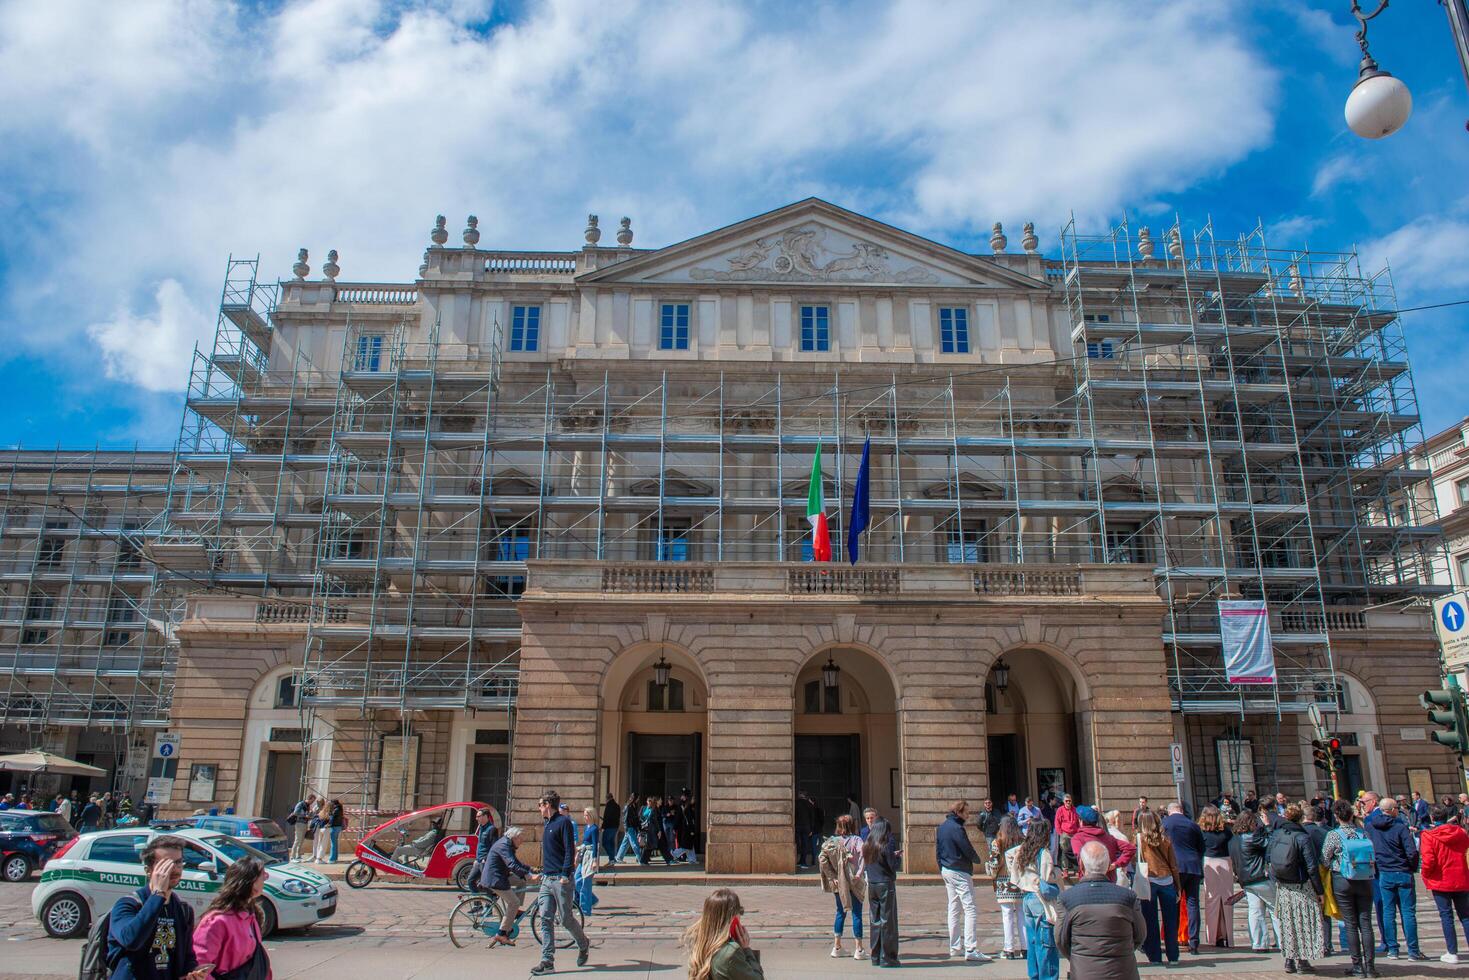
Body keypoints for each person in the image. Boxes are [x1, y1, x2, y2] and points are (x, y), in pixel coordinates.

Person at [107, 834, 209, 980]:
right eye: (165, 865)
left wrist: (192, 971)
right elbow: (131, 940)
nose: (174, 869)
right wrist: (158, 895)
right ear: (149, 870)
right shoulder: (128, 904)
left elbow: (187, 956)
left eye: (178, 863)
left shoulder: (183, 910)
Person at [1057, 841, 1147, 980]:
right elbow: (1140, 934)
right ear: (1107, 865)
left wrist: (1079, 956)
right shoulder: (1127, 897)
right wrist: (1122, 951)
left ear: (1081, 865)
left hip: (1084, 971)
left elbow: (1061, 940)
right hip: (1122, 970)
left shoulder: (1068, 899)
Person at [531, 790, 590, 975]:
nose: (539, 808)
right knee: (545, 919)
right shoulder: (547, 823)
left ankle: (583, 943)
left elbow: (568, 850)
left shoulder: (563, 822)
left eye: (540, 804)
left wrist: (566, 873)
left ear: (548, 804)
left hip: (561, 879)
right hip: (547, 879)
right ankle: (547, 961)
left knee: (565, 919)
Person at [1365, 795, 1426, 962]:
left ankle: (1393, 949)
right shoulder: (1400, 828)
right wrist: (1412, 867)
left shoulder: (1371, 827)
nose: (1398, 811)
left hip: (1384, 872)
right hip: (1402, 871)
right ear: (1391, 810)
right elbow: (1412, 852)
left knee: (1388, 912)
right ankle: (1413, 951)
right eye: (1396, 809)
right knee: (1407, 912)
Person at [1323, 798, 1378, 977]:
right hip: (1365, 880)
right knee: (1366, 923)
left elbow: (1324, 859)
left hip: (1343, 880)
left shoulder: (1334, 835)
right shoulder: (1363, 833)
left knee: (1350, 924)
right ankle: (1370, 967)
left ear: (1337, 816)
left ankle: (1357, 966)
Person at [192, 857, 270, 979]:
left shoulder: (251, 914)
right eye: (263, 875)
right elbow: (199, 969)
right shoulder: (216, 921)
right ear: (251, 881)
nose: (266, 878)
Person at [1269, 802, 1322, 974]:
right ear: (1300, 818)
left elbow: (1269, 857)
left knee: (1287, 923)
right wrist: (1319, 890)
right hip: (1301, 886)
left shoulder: (1277, 834)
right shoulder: (1302, 836)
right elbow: (1312, 866)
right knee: (1303, 922)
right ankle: (1303, 961)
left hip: (1283, 886)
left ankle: (1288, 960)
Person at [935, 800, 986, 961]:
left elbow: (938, 849)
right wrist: (977, 859)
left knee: (954, 907)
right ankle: (970, 948)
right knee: (970, 909)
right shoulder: (957, 828)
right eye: (966, 812)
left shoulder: (942, 827)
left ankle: (954, 947)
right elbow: (966, 847)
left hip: (947, 869)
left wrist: (941, 867)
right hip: (959, 870)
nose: (968, 815)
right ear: (959, 812)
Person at [1010, 816, 1060, 980]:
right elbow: (1046, 880)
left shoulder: (1021, 850)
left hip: (1027, 898)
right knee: (1046, 944)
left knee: (1032, 942)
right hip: (1040, 899)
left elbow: (1014, 877)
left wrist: (1027, 882)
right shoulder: (1043, 853)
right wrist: (1056, 875)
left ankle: (1035, 976)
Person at [1418, 804, 1469, 965]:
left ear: (1432, 818)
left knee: (1446, 916)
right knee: (1466, 916)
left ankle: (1452, 952)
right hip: (1461, 877)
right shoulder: (1460, 832)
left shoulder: (1428, 835)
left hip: (1441, 880)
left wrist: (1425, 875)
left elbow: (1428, 860)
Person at [683, 888, 763, 980]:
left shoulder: (700, 944)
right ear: (733, 918)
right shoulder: (732, 952)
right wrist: (746, 950)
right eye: (740, 911)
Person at [1135, 810, 1180, 966]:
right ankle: (1173, 955)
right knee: (1170, 921)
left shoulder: (1140, 839)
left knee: (1150, 920)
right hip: (1167, 879)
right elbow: (1173, 865)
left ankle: (1155, 957)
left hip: (1149, 880)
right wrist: (1178, 886)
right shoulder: (1165, 839)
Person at [819, 813, 866, 959]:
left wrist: (832, 877)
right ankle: (859, 949)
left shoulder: (831, 841)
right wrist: (859, 872)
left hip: (839, 882)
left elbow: (822, 859)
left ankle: (837, 947)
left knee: (840, 912)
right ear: (852, 825)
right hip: (853, 881)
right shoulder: (856, 840)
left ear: (838, 827)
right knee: (857, 914)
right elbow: (864, 854)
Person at [1161, 801, 1204, 955]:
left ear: (1170, 811)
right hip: (1193, 867)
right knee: (1193, 905)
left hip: (1175, 867)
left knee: (1174, 905)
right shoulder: (1193, 824)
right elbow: (1201, 847)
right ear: (1181, 810)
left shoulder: (1165, 823)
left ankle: (1172, 941)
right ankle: (1194, 942)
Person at [484, 826, 536, 947]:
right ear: (514, 837)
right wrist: (529, 876)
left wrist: (530, 869)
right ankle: (501, 933)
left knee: (521, 881)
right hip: (495, 879)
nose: (521, 841)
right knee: (514, 902)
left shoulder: (507, 844)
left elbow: (516, 862)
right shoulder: (504, 846)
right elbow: (512, 864)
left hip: (501, 876)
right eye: (520, 839)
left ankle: (514, 911)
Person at [863, 816, 901, 967]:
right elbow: (892, 865)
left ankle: (876, 956)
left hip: (872, 883)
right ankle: (888, 957)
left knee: (875, 920)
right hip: (885, 883)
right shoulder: (887, 842)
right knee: (888, 921)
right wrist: (896, 858)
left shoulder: (868, 843)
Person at [1197, 805, 1234, 948]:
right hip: (1225, 862)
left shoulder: (1201, 832)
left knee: (1211, 901)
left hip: (1209, 862)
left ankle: (1213, 937)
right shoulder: (1226, 831)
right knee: (1228, 900)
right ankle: (1228, 937)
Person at [1302, 802, 1334, 957]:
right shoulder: (1324, 832)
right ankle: (1327, 945)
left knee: (1308, 910)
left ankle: (1313, 944)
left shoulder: (1301, 833)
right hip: (1324, 872)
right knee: (1324, 910)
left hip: (1307, 874)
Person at [993, 816, 1027, 960]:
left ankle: (1009, 949)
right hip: (1020, 882)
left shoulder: (998, 842)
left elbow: (994, 864)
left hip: (1004, 882)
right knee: (1022, 915)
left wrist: (992, 874)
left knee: (1007, 915)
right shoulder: (1023, 841)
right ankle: (1026, 948)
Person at [1071, 806, 1135, 877]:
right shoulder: (1108, 837)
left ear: (1081, 822)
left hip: (1089, 881)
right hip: (1109, 880)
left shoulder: (1077, 838)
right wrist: (1115, 864)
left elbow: (1081, 859)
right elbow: (1130, 848)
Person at [574, 806, 600, 916]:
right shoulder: (586, 828)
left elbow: (595, 845)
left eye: (586, 815)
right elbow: (585, 842)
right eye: (584, 815)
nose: (584, 817)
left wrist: (595, 860)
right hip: (583, 855)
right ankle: (592, 900)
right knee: (577, 880)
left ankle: (585, 909)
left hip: (590, 856)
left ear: (591, 815)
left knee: (586, 883)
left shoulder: (594, 828)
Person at [469, 806, 499, 888]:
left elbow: (494, 847)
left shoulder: (492, 829)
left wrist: (485, 859)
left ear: (485, 816)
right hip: (478, 861)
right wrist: (476, 859)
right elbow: (480, 845)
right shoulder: (481, 828)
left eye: (478, 816)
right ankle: (477, 900)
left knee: (486, 884)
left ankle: (490, 899)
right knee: (470, 881)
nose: (476, 818)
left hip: (485, 862)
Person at [287, 794, 314, 861]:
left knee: (301, 840)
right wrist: (305, 816)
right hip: (299, 823)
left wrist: (310, 814)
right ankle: (292, 857)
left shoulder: (308, 805)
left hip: (304, 823)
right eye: (312, 800)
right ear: (309, 799)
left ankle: (298, 855)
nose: (312, 802)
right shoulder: (300, 804)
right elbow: (296, 813)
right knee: (297, 840)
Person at [600, 793, 621, 866]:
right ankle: (612, 859)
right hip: (615, 827)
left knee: (605, 843)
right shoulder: (617, 806)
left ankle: (611, 858)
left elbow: (606, 817)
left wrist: (602, 827)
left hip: (608, 827)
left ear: (607, 798)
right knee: (611, 843)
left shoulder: (608, 805)